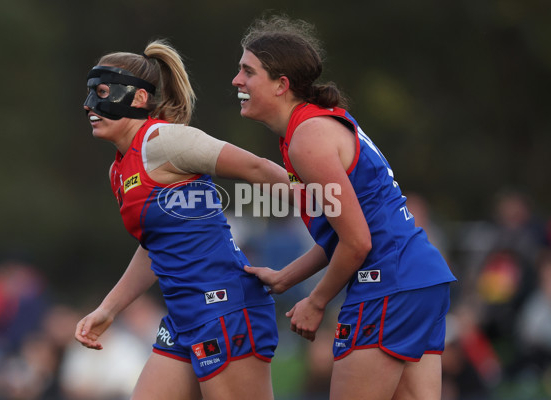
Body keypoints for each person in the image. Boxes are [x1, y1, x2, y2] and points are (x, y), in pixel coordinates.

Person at [234, 16, 457, 399]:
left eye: (247, 71)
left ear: (281, 85)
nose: (237, 80)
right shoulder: (314, 127)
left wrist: (316, 302)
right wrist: (287, 277)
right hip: (420, 278)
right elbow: (345, 234)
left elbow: (357, 242)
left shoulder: (308, 139)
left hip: (388, 283)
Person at [75, 39, 290, 400]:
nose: (88, 106)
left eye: (101, 92)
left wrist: (335, 209)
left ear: (139, 98)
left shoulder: (162, 141)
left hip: (225, 309)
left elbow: (261, 168)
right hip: (183, 316)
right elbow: (154, 248)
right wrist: (108, 310)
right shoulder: (119, 169)